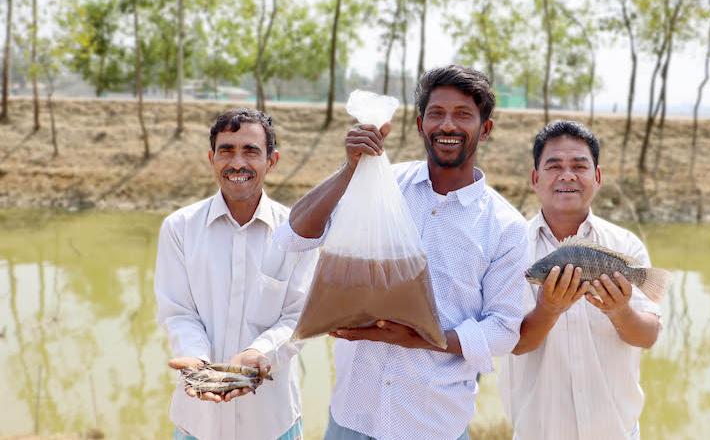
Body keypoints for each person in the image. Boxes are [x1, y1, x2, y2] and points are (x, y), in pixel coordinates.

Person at [274, 65, 529, 439]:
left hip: (433, 423)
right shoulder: (382, 184)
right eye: (436, 113)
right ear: (419, 123)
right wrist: (351, 168)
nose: (447, 126)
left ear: (485, 129)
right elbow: (294, 235)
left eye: (463, 115)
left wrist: (421, 338)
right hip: (351, 417)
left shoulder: (505, 226)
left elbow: (504, 330)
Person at [154, 108, 318, 440]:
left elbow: (299, 319)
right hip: (197, 422)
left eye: (251, 151)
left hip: (273, 423)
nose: (237, 163)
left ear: (272, 161)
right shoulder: (179, 228)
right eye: (227, 150)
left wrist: (259, 354)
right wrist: (199, 364)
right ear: (212, 158)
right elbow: (179, 313)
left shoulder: (299, 232)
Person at [499, 120, 662, 440]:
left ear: (597, 177)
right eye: (554, 165)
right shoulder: (508, 248)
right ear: (535, 178)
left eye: (579, 166)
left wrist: (620, 311)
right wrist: (548, 310)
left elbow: (648, 336)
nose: (567, 175)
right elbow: (512, 343)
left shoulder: (625, 245)